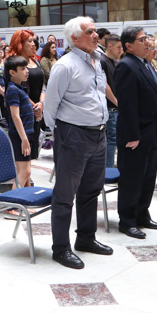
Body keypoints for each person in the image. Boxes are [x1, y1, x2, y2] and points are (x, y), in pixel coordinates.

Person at [44, 16, 113, 269]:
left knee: (91, 191)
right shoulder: (65, 66)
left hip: (98, 134)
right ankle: (61, 248)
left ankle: (86, 238)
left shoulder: (96, 61)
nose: (96, 35)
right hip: (73, 135)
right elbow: (51, 106)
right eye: (90, 32)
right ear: (74, 38)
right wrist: (64, 132)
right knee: (65, 195)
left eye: (96, 31)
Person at [115, 27, 157, 239]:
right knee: (132, 178)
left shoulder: (145, 63)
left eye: (146, 38)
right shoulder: (126, 66)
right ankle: (127, 220)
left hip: (150, 130)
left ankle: (142, 213)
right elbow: (127, 105)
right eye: (142, 39)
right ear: (128, 45)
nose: (147, 42)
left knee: (148, 176)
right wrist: (132, 134)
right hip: (135, 133)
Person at [5, 55, 37, 190]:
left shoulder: (18, 88)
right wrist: (24, 139)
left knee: (26, 171)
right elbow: (15, 116)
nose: (27, 71)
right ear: (12, 72)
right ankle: (11, 203)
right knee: (24, 172)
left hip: (26, 133)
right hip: (20, 135)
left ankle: (24, 199)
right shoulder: (13, 90)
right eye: (23, 69)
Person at [100, 34, 122, 168]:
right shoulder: (103, 61)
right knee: (112, 139)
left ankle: (110, 165)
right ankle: (108, 167)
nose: (121, 50)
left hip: (115, 106)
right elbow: (104, 85)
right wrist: (116, 102)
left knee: (115, 139)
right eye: (118, 47)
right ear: (109, 46)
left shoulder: (114, 61)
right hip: (110, 106)